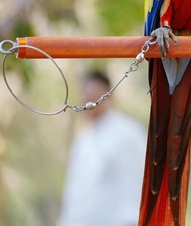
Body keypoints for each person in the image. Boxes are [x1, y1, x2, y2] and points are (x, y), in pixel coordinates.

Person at [58, 71, 146, 226]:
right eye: (83, 93)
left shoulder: (127, 134)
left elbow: (134, 188)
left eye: (92, 94)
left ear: (107, 95)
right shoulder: (83, 139)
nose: (86, 100)